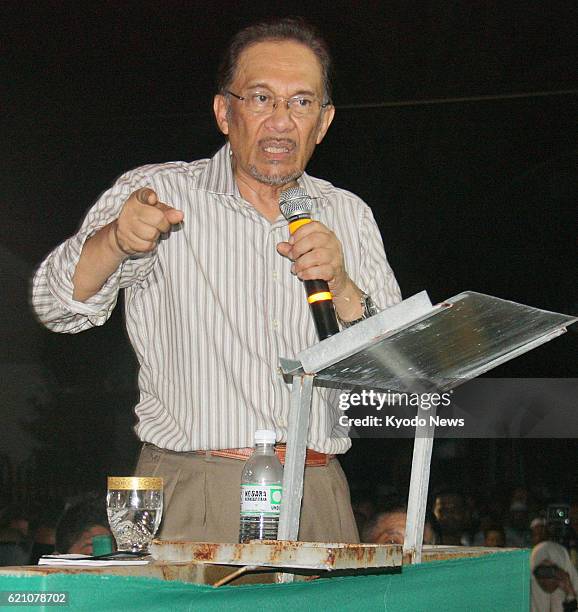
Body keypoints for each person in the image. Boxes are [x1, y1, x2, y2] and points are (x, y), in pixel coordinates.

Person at [32, 17, 401, 543]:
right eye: (260, 98)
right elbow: (55, 308)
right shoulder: (158, 192)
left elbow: (394, 384)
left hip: (318, 489)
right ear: (224, 112)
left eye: (301, 102)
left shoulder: (350, 214)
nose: (280, 120)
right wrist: (114, 240)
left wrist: (343, 288)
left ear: (323, 122)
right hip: (193, 488)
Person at [531, 541, 578, 612]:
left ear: (563, 568)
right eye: (541, 572)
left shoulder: (570, 589)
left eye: (551, 571)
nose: (545, 580)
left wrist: (570, 594)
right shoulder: (523, 599)